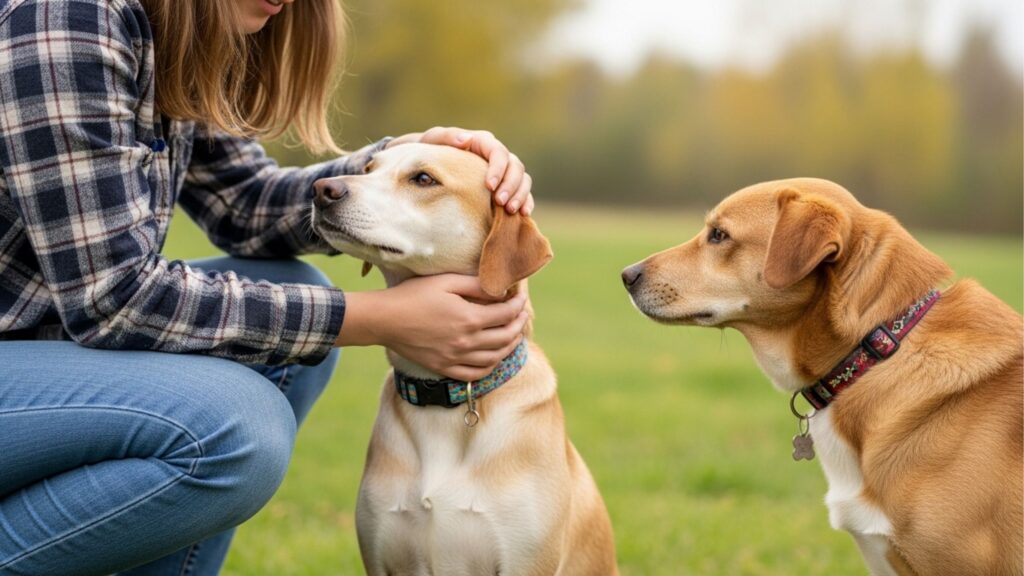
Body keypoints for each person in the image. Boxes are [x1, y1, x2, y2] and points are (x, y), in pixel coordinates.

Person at [0, 0, 535, 573]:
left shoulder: (169, 36)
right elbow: (116, 297)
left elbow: (244, 203)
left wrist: (405, 156)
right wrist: (376, 318)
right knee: (236, 427)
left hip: (42, 351)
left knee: (286, 291)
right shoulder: (67, 17)